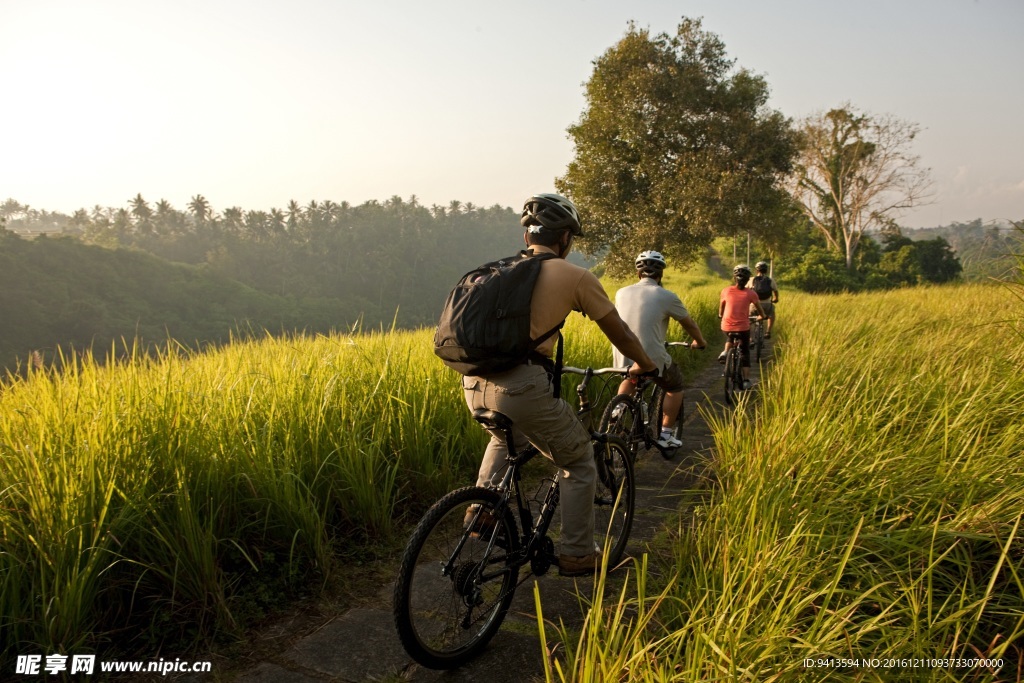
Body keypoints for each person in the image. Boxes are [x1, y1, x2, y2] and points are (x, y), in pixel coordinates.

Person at [461, 193, 659, 577]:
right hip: (522, 388)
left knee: (505, 439)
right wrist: (646, 364)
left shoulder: (496, 271)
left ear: (527, 238)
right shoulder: (575, 276)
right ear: (565, 238)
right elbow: (619, 332)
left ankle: (481, 513)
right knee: (579, 460)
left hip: (472, 382)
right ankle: (578, 553)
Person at [611, 250, 707, 449]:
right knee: (675, 386)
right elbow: (689, 324)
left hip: (623, 355)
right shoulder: (666, 295)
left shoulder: (621, 292)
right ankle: (666, 435)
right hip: (650, 358)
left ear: (638, 274)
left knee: (629, 378)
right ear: (660, 274)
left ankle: (617, 409)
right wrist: (699, 341)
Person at [718, 264, 767, 390]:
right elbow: (760, 311)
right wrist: (762, 317)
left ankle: (725, 352)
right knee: (745, 351)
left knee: (730, 337)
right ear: (747, 280)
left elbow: (721, 309)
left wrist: (720, 315)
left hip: (726, 325)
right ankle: (745, 380)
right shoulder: (751, 293)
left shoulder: (725, 291)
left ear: (734, 278)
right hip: (743, 328)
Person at [749, 261, 779, 338]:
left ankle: (750, 338)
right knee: (771, 314)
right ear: (766, 270)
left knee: (749, 318)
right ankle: (768, 331)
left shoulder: (752, 279)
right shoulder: (770, 280)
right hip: (767, 305)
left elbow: (746, 290)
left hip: (754, 305)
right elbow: (775, 291)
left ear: (756, 270)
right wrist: (775, 299)